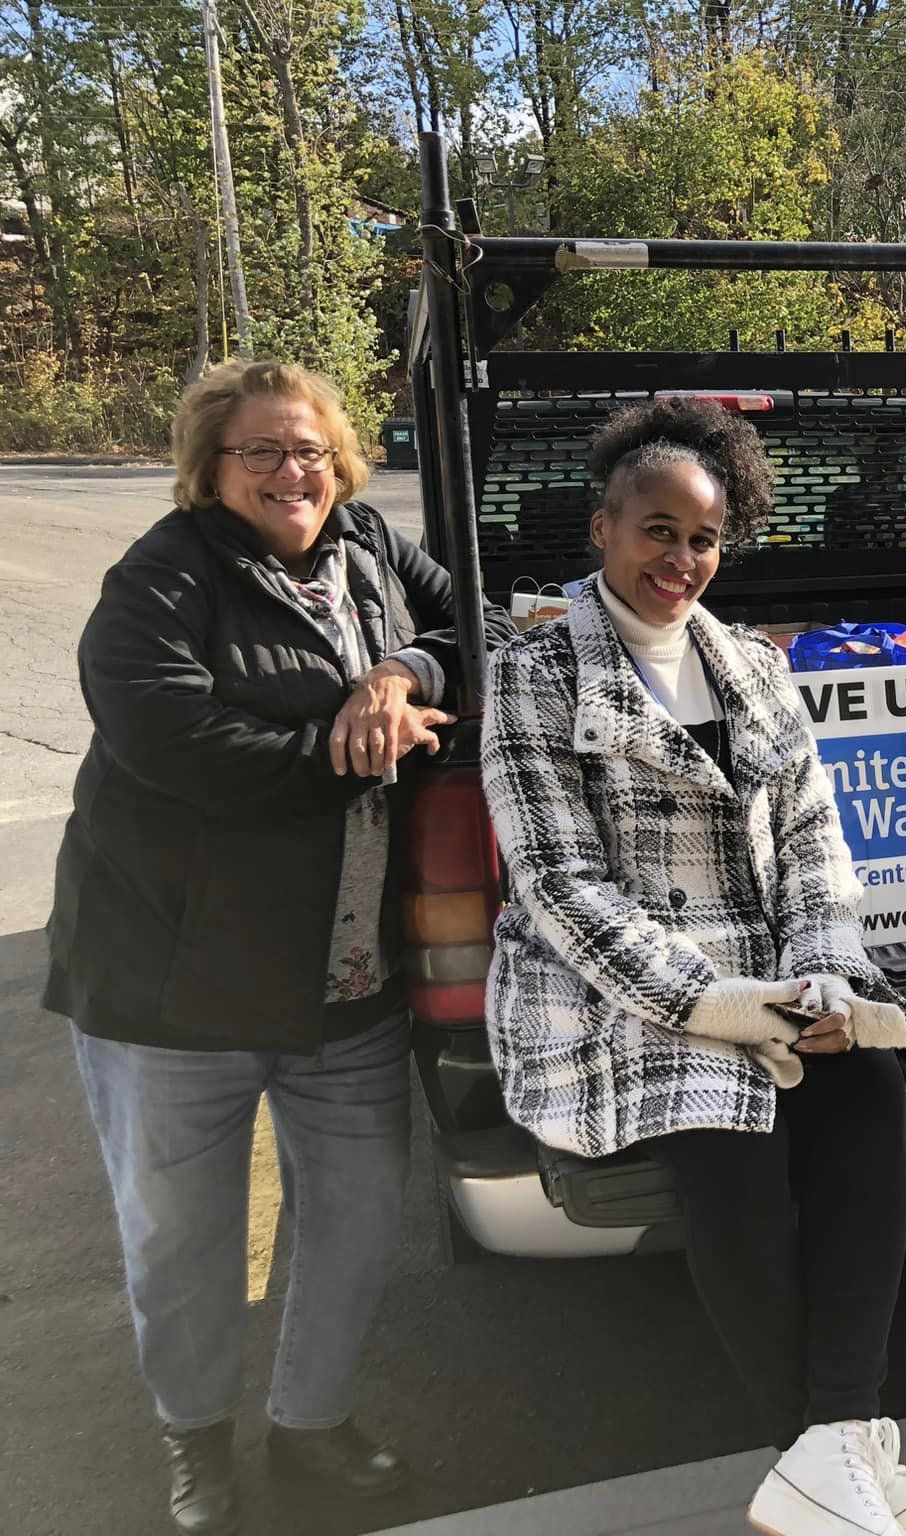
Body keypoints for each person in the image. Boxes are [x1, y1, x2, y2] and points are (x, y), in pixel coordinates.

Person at [480, 396, 906, 1536]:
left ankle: (828, 1448)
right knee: (731, 1131)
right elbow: (559, 887)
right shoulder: (534, 670)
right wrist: (724, 1005)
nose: (679, 560)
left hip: (778, 974)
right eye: (656, 531)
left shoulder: (747, 663)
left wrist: (828, 977)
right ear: (603, 528)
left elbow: (813, 842)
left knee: (866, 1089)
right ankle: (827, 1457)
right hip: (618, 993)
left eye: (702, 540)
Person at [45, 359, 502, 1535]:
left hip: (347, 986)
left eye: (306, 448)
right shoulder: (161, 577)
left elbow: (485, 623)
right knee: (181, 1243)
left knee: (351, 1228)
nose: (291, 471)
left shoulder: (367, 553)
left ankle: (312, 1426)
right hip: (173, 989)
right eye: (261, 452)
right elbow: (166, 733)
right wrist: (346, 750)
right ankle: (194, 1444)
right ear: (211, 468)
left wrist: (406, 670)